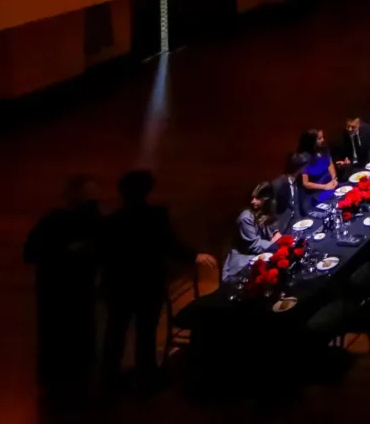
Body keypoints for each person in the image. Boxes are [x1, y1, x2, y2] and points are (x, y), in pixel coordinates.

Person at [98, 170, 213, 387]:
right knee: (146, 332)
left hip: (119, 284)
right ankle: (146, 375)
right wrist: (194, 256)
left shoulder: (112, 220)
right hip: (147, 283)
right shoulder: (156, 216)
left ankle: (109, 377)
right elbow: (168, 243)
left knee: (115, 331)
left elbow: (103, 253)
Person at [23, 175, 102, 401]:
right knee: (68, 336)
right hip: (64, 291)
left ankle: (63, 381)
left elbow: (31, 253)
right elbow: (32, 252)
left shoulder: (57, 221)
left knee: (64, 336)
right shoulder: (61, 222)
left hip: (64, 291)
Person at [221, 183, 279, 280]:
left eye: (257, 198)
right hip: (243, 264)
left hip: (258, 257)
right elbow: (254, 245)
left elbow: (272, 230)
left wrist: (275, 233)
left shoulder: (264, 213)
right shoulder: (246, 217)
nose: (253, 201)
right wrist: (274, 245)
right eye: (252, 198)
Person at [297, 128, 338, 204]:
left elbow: (330, 164)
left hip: (330, 183)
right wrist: (325, 186)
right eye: (319, 138)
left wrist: (334, 179)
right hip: (316, 191)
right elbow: (305, 183)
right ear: (311, 141)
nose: (323, 140)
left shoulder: (324, 149)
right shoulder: (303, 157)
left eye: (323, 137)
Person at [271, 153, 308, 222]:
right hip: (282, 224)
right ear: (299, 168)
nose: (305, 169)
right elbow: (273, 210)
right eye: (304, 167)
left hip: (294, 221)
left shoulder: (295, 181)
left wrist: (298, 221)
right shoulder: (279, 184)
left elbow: (295, 205)